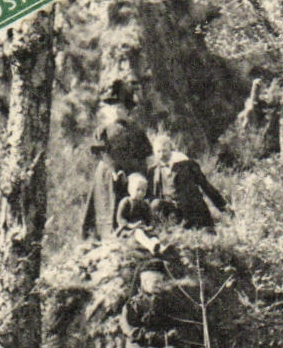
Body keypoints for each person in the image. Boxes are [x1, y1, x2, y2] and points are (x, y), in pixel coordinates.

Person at [82, 83, 153, 239]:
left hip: (131, 174)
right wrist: (114, 169)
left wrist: (139, 174)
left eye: (120, 107)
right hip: (108, 173)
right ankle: (102, 235)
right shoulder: (103, 130)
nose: (116, 110)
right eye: (113, 107)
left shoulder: (137, 131)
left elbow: (144, 155)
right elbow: (101, 152)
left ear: (128, 109)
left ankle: (132, 231)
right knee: (108, 203)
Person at [150, 137, 228, 231]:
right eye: (158, 152)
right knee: (155, 203)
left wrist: (223, 206)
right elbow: (155, 195)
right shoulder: (154, 171)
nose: (162, 155)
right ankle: (168, 227)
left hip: (193, 207)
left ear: (171, 150)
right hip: (174, 210)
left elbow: (205, 186)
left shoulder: (187, 165)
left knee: (205, 231)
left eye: (164, 151)